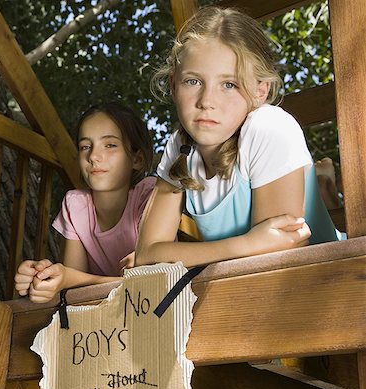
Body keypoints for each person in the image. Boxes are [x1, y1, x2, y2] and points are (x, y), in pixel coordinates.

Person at [135, 6, 341, 269]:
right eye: (193, 81)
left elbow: (279, 255)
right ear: (173, 84)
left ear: (260, 91)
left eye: (229, 84)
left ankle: (324, 183)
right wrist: (247, 244)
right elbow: (147, 254)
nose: (207, 101)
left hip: (326, 279)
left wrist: (181, 255)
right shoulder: (180, 146)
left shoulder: (269, 127)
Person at [15, 102, 155, 303]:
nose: (94, 156)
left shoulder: (148, 196)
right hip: (99, 322)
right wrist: (44, 278)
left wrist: (68, 278)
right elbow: (73, 292)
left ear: (137, 159)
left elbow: (151, 286)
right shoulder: (75, 206)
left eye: (110, 145)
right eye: (85, 147)